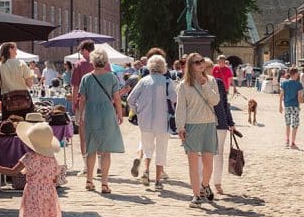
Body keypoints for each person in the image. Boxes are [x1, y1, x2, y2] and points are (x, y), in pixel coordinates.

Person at [174, 52, 220, 207]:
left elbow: (215, 101)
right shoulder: (183, 85)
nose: (200, 64)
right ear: (190, 65)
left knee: (208, 163)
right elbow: (180, 108)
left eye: (201, 61)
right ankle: (196, 195)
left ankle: (205, 185)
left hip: (208, 124)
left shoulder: (211, 81)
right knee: (193, 163)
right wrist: (180, 127)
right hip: (192, 126)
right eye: (196, 62)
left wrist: (204, 84)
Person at [77, 48, 125, 194]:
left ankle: (89, 181)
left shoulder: (86, 78)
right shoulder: (111, 77)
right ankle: (104, 184)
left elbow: (82, 99)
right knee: (105, 151)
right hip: (107, 113)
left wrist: (80, 115)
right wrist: (120, 113)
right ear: (105, 61)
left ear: (92, 61)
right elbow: (117, 98)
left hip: (91, 113)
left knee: (91, 148)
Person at [126, 55, 176, 190]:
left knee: (147, 149)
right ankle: (158, 180)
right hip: (163, 121)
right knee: (161, 150)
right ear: (163, 67)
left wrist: (138, 110)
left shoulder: (144, 81)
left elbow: (130, 99)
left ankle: (146, 171)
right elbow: (175, 99)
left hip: (145, 121)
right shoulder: (168, 82)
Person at [205, 58, 237, 196]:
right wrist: (230, 122)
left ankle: (208, 183)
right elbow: (225, 105)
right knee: (217, 154)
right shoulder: (213, 83)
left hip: (213, 123)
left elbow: (224, 104)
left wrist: (230, 122)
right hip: (217, 123)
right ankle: (215, 183)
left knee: (207, 154)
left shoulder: (216, 83)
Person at [0, 42, 35, 120]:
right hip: (24, 99)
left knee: (9, 126)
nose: (17, 52)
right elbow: (29, 84)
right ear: (10, 49)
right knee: (26, 125)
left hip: (8, 101)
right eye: (15, 49)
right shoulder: (21, 63)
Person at [279, 67, 304, 149]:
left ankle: (287, 141)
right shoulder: (298, 84)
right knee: (295, 125)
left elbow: (281, 95)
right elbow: (299, 97)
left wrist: (280, 105)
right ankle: (292, 142)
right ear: (296, 74)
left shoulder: (284, 83)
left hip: (287, 105)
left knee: (287, 124)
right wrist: (300, 104)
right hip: (295, 106)